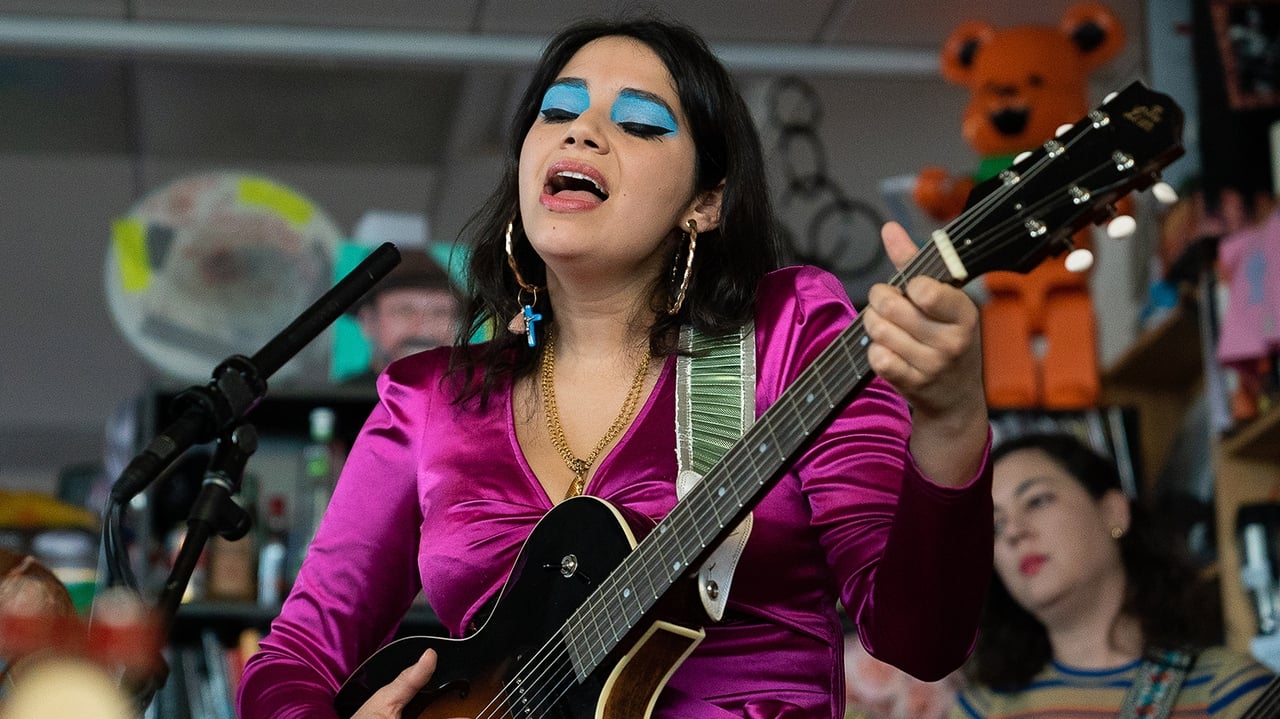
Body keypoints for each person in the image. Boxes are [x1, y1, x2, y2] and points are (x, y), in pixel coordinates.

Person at [237, 16, 994, 719]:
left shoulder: (789, 329)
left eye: (638, 123)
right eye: (556, 113)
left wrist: (953, 421)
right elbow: (296, 655)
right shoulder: (429, 396)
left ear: (705, 201)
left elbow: (920, 639)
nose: (583, 133)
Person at [949, 432, 1275, 718]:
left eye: (1037, 501)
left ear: (1112, 512)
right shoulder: (980, 709)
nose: (1014, 533)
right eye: (994, 526)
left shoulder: (1229, 692)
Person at [345, 247, 460, 384]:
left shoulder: (475, 401)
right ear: (368, 321)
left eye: (440, 312)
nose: (423, 329)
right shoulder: (339, 401)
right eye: (404, 311)